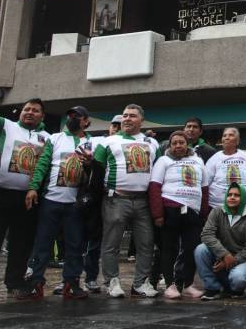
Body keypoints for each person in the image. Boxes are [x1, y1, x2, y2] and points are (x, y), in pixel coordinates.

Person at [0, 68, 50, 299]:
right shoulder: (6, 126)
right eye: (26, 109)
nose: (30, 113)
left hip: (27, 199)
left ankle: (14, 283)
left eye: (35, 111)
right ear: (20, 112)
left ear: (42, 116)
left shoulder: (47, 138)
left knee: (21, 245)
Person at [17, 106, 94, 300]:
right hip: (50, 200)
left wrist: (90, 165)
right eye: (69, 115)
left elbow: (96, 173)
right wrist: (33, 187)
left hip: (76, 204)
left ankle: (72, 282)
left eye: (76, 116)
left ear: (85, 121)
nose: (72, 118)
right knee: (42, 243)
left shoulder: (92, 142)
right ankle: (35, 282)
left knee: (75, 245)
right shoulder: (54, 138)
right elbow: (42, 164)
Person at [93, 104, 161, 298]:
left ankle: (140, 283)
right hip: (115, 199)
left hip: (143, 201)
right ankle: (111, 281)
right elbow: (96, 172)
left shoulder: (152, 143)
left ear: (141, 120)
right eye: (124, 116)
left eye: (132, 115)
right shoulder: (107, 141)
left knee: (146, 243)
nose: (127, 119)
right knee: (111, 244)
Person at [149, 130, 206, 299]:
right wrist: (158, 214)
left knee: (192, 248)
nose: (178, 146)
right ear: (170, 145)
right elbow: (154, 187)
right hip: (170, 209)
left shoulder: (197, 160)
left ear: (187, 144)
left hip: (193, 211)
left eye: (181, 142)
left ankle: (187, 284)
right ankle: (171, 284)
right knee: (169, 248)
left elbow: (205, 187)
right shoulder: (163, 160)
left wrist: (203, 212)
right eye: (174, 143)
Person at [194, 183, 246, 299]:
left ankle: (233, 289)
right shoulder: (217, 212)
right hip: (220, 256)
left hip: (241, 259)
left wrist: (231, 260)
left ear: (243, 198)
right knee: (201, 249)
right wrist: (225, 255)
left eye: (237, 195)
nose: (232, 197)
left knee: (239, 279)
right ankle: (212, 288)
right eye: (229, 194)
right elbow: (206, 234)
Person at [83, 114, 122, 294]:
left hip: (115, 200)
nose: (116, 128)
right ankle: (83, 278)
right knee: (87, 240)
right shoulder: (98, 143)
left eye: (120, 126)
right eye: (114, 125)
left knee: (104, 242)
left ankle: (100, 278)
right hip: (93, 198)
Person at [203, 127, 246, 209]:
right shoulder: (214, 159)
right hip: (217, 207)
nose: (227, 138)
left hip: (242, 207)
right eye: (224, 136)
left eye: (231, 135)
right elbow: (205, 183)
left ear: (237, 141)